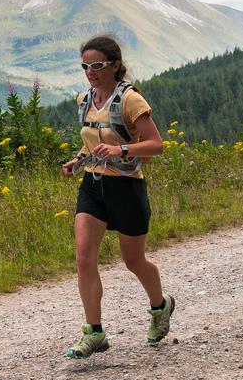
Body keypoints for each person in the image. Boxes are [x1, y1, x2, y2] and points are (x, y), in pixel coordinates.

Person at [60, 34, 174, 358]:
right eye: (85, 66)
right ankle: (94, 332)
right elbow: (92, 141)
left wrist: (120, 149)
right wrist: (78, 159)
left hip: (127, 187)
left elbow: (156, 144)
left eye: (97, 65)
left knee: (134, 261)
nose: (90, 72)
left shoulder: (130, 100)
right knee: (83, 257)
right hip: (93, 186)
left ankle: (160, 307)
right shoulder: (84, 99)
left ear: (115, 65)